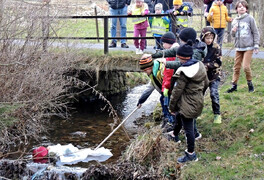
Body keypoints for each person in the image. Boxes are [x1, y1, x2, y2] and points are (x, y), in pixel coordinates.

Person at [153, 27, 207, 140]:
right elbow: (172, 52)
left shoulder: (195, 53)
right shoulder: (186, 48)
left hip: (190, 87)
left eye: (181, 39)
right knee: (182, 112)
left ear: (186, 40)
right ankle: (177, 133)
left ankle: (193, 136)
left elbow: (181, 63)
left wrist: (167, 63)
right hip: (188, 86)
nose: (179, 41)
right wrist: (154, 55)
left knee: (188, 112)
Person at [169, 40, 208, 163]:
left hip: (188, 104)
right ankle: (175, 135)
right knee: (181, 118)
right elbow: (206, 83)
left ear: (182, 58)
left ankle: (191, 154)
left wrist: (171, 107)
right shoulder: (200, 66)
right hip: (198, 100)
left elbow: (176, 92)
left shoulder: (184, 72)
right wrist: (199, 95)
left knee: (189, 129)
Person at [226, 0, 260, 93]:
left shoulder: (250, 19)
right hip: (238, 47)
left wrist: (256, 45)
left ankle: (250, 84)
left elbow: (255, 32)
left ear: (246, 8)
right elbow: (232, 35)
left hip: (248, 47)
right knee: (236, 67)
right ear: (236, 9)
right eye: (239, 6)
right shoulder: (235, 20)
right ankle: (234, 85)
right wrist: (233, 31)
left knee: (245, 66)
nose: (241, 8)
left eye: (243, 6)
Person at [137, 55, 173, 126]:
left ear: (149, 67)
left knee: (166, 103)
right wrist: (141, 101)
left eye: (145, 70)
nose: (145, 72)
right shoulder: (153, 74)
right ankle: (167, 120)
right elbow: (149, 89)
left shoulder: (161, 70)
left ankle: (171, 122)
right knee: (163, 100)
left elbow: (169, 80)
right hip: (166, 92)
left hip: (171, 91)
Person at [200, 26, 222, 123]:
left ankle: (217, 114)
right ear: (203, 37)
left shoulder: (216, 47)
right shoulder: (199, 47)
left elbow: (218, 62)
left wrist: (207, 66)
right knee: (199, 95)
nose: (209, 40)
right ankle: (197, 113)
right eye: (207, 38)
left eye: (211, 38)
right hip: (202, 76)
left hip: (214, 75)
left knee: (214, 94)